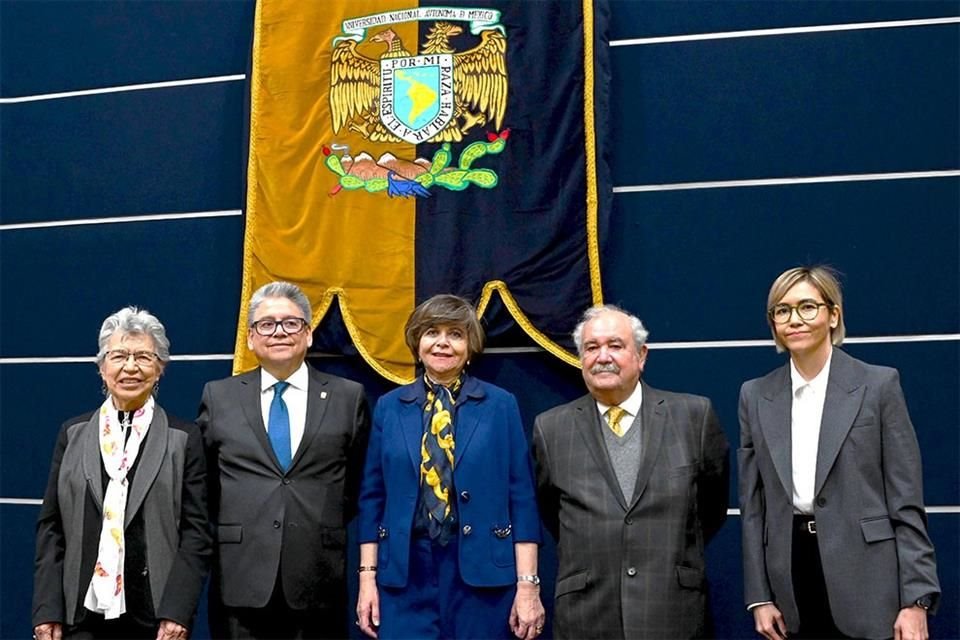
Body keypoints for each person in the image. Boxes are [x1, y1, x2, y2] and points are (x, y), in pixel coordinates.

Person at [739, 266, 940, 640]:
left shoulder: (878, 386)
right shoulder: (755, 395)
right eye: (782, 311)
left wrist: (916, 601)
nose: (794, 319)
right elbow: (753, 508)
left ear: (833, 315)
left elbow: (906, 501)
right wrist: (758, 597)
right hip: (791, 582)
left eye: (807, 307)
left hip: (869, 579)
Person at [532, 304, 729, 639]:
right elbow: (552, 513)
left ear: (641, 355)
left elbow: (711, 509)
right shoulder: (550, 429)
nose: (602, 356)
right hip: (587, 615)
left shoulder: (693, 416)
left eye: (616, 345)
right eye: (591, 348)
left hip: (671, 611)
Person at [355, 294, 544, 640]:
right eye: (432, 332)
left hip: (482, 575)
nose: (442, 342)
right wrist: (367, 579)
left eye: (455, 334)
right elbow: (373, 498)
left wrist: (528, 585)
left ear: (470, 345)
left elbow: (522, 497)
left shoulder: (500, 405)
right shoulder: (389, 407)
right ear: (417, 341)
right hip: (404, 573)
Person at [198, 281, 370, 640]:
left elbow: (355, 484)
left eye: (291, 323)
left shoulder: (347, 397)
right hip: (240, 578)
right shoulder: (219, 397)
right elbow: (207, 483)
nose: (279, 332)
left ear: (307, 335)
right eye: (267, 324)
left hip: (318, 579)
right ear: (250, 338)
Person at [32, 307, 210, 640]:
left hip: (155, 618)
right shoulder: (73, 433)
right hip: (80, 615)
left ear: (160, 369)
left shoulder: (183, 438)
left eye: (143, 356)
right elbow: (51, 527)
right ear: (102, 367)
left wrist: (177, 611)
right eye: (119, 356)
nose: (130, 367)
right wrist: (47, 608)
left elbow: (196, 533)